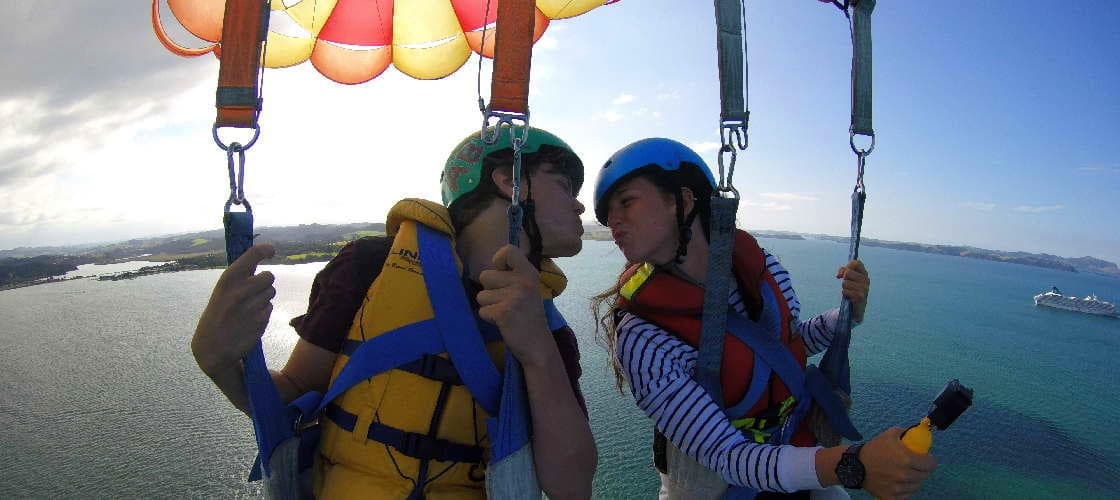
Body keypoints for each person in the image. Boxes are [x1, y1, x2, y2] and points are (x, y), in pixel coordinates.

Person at [191, 126, 596, 499]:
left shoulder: (547, 326)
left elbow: (571, 487)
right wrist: (219, 363)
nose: (579, 206)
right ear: (509, 181)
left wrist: (538, 350)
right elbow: (292, 395)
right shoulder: (368, 265)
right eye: (564, 186)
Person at [591, 138, 936, 499]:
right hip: (713, 485)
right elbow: (727, 455)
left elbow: (786, 345)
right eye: (607, 214)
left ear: (684, 199)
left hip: (791, 446)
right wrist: (854, 464)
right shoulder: (641, 337)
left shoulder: (761, 271)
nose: (612, 221)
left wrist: (848, 316)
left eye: (626, 202)